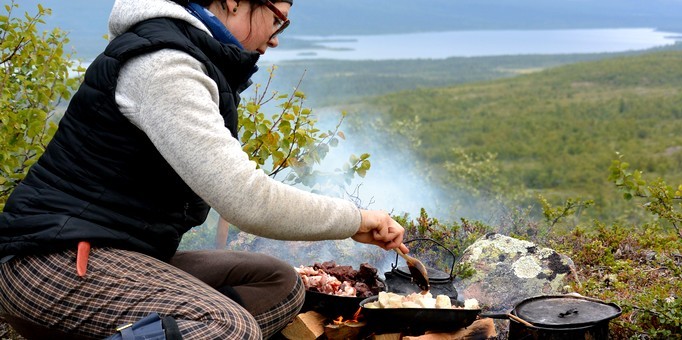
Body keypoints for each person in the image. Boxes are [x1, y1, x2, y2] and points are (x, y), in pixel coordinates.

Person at [0, 0, 408, 339]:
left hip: (125, 254)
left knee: (281, 286)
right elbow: (247, 199)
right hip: (52, 262)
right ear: (233, 2)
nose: (278, 34)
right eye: (277, 17)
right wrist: (355, 219)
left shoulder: (192, 59)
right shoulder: (162, 65)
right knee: (228, 329)